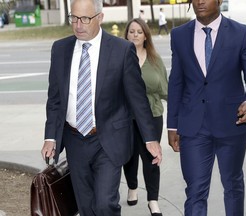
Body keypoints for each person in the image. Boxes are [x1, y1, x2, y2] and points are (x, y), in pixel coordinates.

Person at [40, 0, 162, 215]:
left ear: (100, 18)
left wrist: (150, 138)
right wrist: (50, 136)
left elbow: (137, 98)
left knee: (105, 204)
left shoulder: (121, 50)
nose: (78, 25)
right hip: (74, 139)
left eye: (85, 19)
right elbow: (55, 99)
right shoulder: (60, 49)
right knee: (86, 207)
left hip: (108, 139)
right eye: (74, 18)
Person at [167, 0, 246, 216]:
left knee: (232, 184)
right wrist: (172, 125)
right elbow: (176, 82)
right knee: (195, 192)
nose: (200, 1)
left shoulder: (241, 33)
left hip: (232, 122)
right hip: (193, 126)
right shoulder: (179, 35)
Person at [123, 18, 168, 216]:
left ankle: (153, 200)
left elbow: (165, 89)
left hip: (152, 116)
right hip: (126, 117)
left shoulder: (155, 60)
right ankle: (132, 187)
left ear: (145, 36)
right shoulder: (119, 57)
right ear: (126, 34)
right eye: (131, 31)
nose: (135, 35)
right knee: (129, 157)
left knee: (151, 158)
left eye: (139, 32)